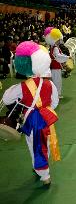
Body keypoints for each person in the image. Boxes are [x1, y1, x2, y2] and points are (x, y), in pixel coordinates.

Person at [2, 41, 61, 187]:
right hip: (46, 118)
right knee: (44, 143)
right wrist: (45, 109)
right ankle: (40, 167)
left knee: (35, 146)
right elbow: (55, 102)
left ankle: (44, 174)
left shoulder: (23, 86)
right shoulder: (50, 84)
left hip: (31, 119)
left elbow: (6, 98)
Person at [44, 27, 69, 99]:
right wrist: (67, 57)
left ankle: (55, 94)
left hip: (53, 66)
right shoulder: (55, 48)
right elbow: (58, 56)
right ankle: (57, 94)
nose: (60, 41)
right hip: (55, 66)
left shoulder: (52, 47)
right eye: (59, 40)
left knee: (55, 81)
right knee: (57, 81)